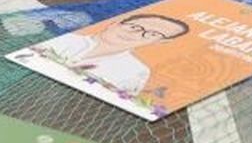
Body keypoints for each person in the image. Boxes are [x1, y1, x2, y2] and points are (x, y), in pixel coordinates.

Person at [45, 13, 189, 95]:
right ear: (115, 23)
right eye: (134, 26)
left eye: (152, 34)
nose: (135, 33)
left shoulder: (136, 71)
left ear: (160, 42)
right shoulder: (61, 39)